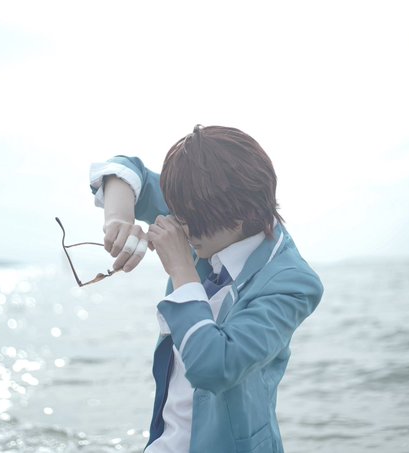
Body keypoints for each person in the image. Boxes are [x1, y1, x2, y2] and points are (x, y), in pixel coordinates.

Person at [88, 125, 323, 453]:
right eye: (177, 214)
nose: (178, 226)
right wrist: (119, 218)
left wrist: (182, 269)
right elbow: (125, 169)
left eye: (186, 221)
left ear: (239, 217)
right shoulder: (198, 207)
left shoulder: (291, 283)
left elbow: (215, 367)